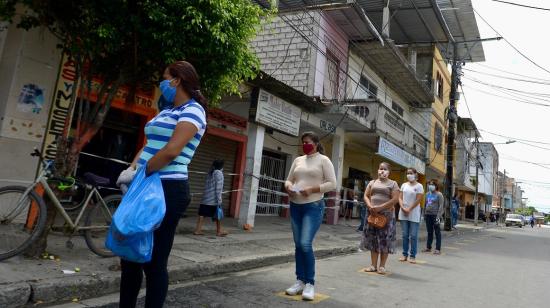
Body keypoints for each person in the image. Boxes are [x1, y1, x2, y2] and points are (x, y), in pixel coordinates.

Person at [119, 61, 207, 308]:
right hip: (145, 183)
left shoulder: (193, 110)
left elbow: (171, 151)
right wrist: (132, 168)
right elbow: (149, 146)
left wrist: (140, 173)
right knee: (130, 257)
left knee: (154, 262)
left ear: (177, 80)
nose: (162, 83)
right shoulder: (166, 111)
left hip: (168, 189)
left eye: (164, 78)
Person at [284, 132, 336, 301]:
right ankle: (299, 280)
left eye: (307, 142)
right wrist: (289, 187)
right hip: (295, 205)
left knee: (305, 244)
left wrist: (312, 189)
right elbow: (289, 180)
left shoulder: (324, 160)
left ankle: (310, 283)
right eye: (303, 143)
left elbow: (332, 184)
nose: (304, 145)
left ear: (315, 143)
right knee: (298, 244)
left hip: (313, 206)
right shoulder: (298, 160)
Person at [360, 162, 399, 275]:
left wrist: (380, 207)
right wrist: (370, 206)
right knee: (373, 240)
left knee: (384, 241)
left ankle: (382, 266)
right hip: (372, 215)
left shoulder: (393, 184)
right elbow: (366, 195)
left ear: (389, 172)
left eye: (385, 169)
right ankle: (373, 265)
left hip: (386, 216)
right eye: (380, 168)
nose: (382, 171)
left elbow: (395, 199)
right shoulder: (372, 182)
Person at [193, 160, 228, 237]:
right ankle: (219, 231)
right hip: (213, 199)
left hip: (205, 198)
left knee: (202, 214)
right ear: (221, 166)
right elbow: (219, 188)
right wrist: (219, 200)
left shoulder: (210, 173)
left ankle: (197, 230)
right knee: (218, 214)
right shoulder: (219, 173)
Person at [398, 168, 424, 264]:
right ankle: (405, 254)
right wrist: (403, 208)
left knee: (413, 236)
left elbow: (418, 200)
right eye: (408, 173)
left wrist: (409, 209)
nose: (409, 175)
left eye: (411, 173)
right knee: (405, 235)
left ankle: (412, 256)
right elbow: (400, 197)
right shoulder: (404, 185)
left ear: (415, 174)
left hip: (414, 213)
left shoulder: (419, 186)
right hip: (403, 212)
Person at [422, 181, 444, 255]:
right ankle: (428, 247)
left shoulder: (439, 194)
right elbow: (425, 205)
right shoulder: (427, 194)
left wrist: (438, 216)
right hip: (428, 215)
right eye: (430, 184)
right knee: (429, 232)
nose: (431, 186)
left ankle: (438, 249)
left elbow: (441, 206)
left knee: (437, 232)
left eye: (433, 184)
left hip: (435, 215)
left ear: (436, 186)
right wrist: (423, 214)